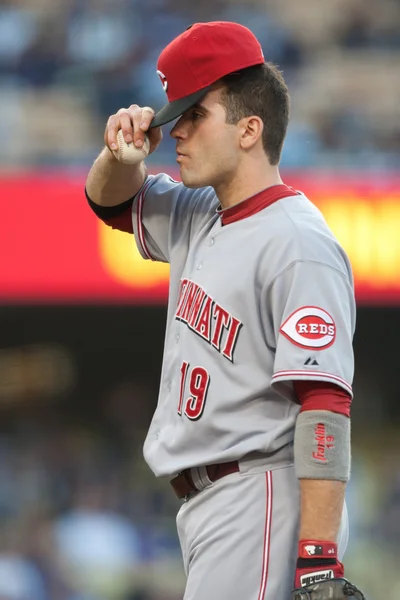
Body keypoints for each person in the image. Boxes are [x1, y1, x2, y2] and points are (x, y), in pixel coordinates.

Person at [85, 21, 365, 600]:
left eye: (194, 115)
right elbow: (108, 204)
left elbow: (325, 405)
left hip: (259, 497)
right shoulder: (198, 211)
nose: (177, 131)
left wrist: (318, 559)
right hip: (214, 509)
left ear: (248, 130)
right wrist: (120, 154)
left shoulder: (297, 243)